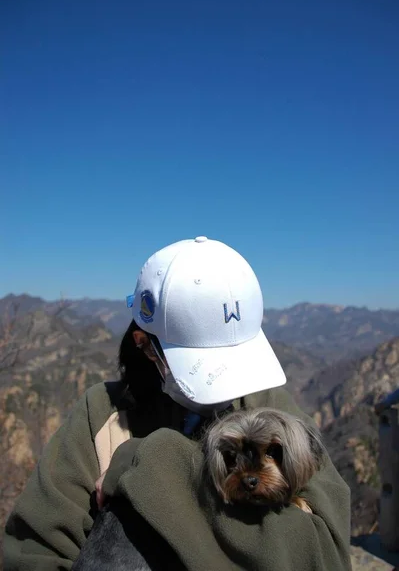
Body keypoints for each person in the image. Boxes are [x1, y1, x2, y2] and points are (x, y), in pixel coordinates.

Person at [4, 236, 352, 570]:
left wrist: (150, 463)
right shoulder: (103, 413)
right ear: (144, 345)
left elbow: (326, 554)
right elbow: (36, 551)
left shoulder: (273, 408)